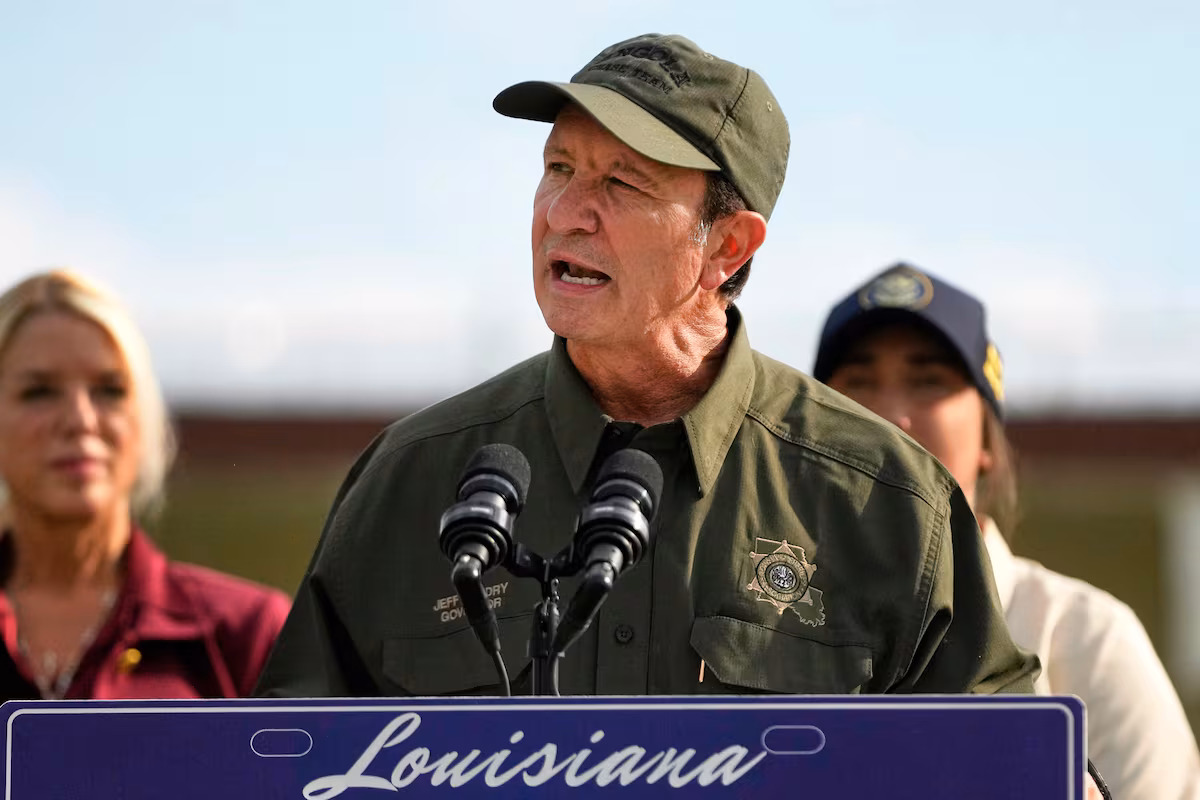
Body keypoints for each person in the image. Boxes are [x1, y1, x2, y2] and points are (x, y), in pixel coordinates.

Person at [256, 33, 1036, 698]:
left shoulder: (887, 502)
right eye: (558, 168)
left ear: (728, 246)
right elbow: (285, 762)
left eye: (622, 184)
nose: (565, 214)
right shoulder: (410, 479)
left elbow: (1008, 766)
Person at [814, 261, 1200, 800]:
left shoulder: (1087, 637)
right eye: (858, 383)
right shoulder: (758, 623)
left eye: (929, 381)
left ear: (988, 441)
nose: (891, 417)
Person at [0, 269, 291, 700]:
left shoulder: (249, 634)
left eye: (110, 390)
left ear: (145, 418)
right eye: (39, 391)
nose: (80, 419)